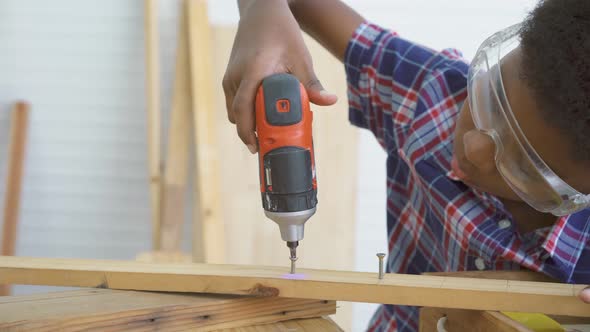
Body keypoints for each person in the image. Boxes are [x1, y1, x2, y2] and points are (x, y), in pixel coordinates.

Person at [223, 0, 590, 330]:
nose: (473, 147)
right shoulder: (431, 96)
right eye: (488, 100)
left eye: (521, 162)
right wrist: (260, 10)